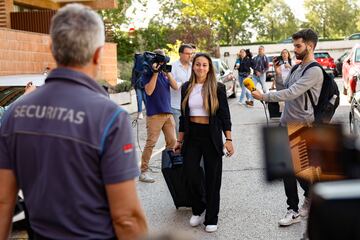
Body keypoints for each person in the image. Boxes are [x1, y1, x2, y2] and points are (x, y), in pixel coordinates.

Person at [0, 4, 148, 239]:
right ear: (98, 54)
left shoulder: (15, 112)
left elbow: (3, 201)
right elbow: (126, 217)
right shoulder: (109, 117)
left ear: (53, 49)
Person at [252, 29, 323, 226]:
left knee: (301, 172)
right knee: (287, 171)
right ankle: (292, 209)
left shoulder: (315, 70)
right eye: (294, 46)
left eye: (298, 46)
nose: (294, 49)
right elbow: (284, 87)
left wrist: (264, 96)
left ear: (309, 46)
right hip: (285, 124)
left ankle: (311, 200)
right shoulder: (296, 68)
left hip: (302, 127)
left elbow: (292, 92)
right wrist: (276, 72)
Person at [174, 53, 234, 233]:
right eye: (198, 64)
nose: (201, 68)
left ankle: (211, 217)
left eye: (205, 65)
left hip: (211, 135)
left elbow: (225, 116)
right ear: (193, 66)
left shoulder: (218, 87)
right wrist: (179, 140)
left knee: (213, 178)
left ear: (209, 68)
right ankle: (199, 208)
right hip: (192, 135)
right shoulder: (186, 87)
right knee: (191, 174)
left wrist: (229, 139)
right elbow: (183, 117)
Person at [139, 49, 179, 183]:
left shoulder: (164, 74)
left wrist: (167, 73)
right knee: (151, 144)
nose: (162, 64)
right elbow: (149, 91)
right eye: (160, 61)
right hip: (154, 114)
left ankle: (170, 167)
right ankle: (143, 172)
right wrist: (155, 73)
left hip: (168, 113)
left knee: (173, 142)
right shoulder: (147, 74)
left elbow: (175, 87)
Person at [170, 44, 193, 134]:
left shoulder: (194, 66)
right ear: (180, 54)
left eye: (191, 53)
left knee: (191, 132)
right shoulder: (173, 67)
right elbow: (173, 86)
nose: (190, 56)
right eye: (187, 53)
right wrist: (183, 84)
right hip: (176, 105)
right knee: (179, 133)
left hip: (191, 105)